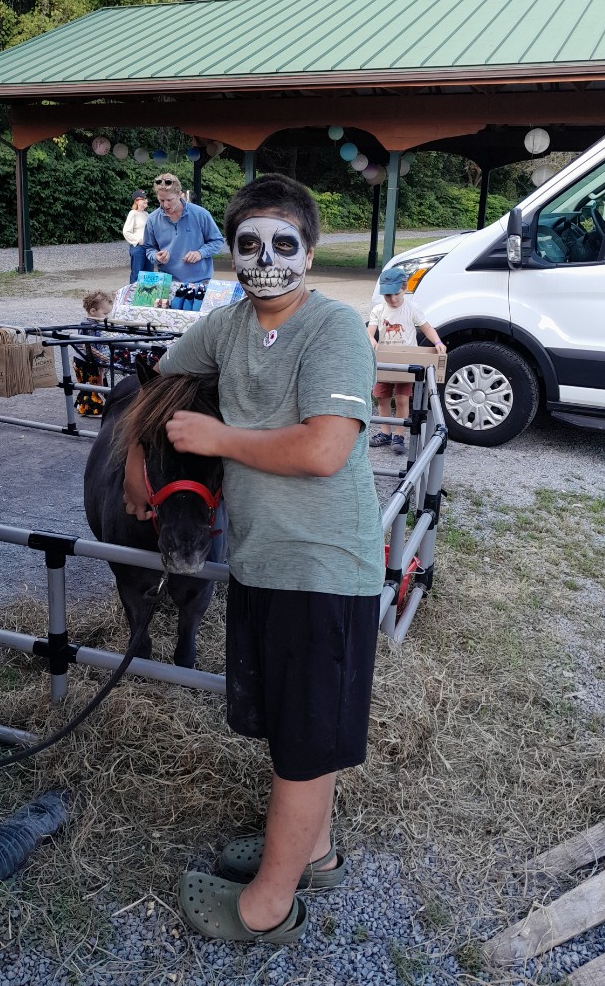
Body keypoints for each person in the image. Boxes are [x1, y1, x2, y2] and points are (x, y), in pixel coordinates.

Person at [122, 174, 384, 944]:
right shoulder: (227, 324)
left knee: (303, 741)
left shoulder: (333, 329)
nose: (266, 258)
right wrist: (140, 464)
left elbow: (325, 449)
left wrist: (219, 441)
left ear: (309, 250)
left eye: (284, 243)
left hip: (322, 565)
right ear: (227, 250)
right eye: (249, 244)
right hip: (262, 559)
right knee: (296, 725)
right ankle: (317, 852)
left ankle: (267, 906)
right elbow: (159, 385)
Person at [367, 265, 446, 454]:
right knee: (382, 398)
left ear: (405, 289)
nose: (392, 299)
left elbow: (426, 328)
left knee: (402, 400)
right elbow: (370, 330)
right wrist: (371, 338)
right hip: (385, 361)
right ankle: (385, 431)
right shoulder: (379, 310)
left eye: (396, 294)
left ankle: (399, 434)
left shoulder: (412, 309)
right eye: (387, 295)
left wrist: (437, 341)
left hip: (405, 363)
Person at [142, 173, 223, 285]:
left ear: (180, 195)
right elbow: (149, 248)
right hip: (167, 283)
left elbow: (217, 241)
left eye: (170, 200)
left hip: (200, 281)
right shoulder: (152, 219)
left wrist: (200, 253)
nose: (165, 205)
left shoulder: (201, 214)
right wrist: (156, 257)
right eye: (161, 200)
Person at [73, 290, 113, 416]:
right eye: (105, 313)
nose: (107, 317)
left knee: (96, 383)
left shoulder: (95, 323)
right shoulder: (87, 325)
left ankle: (88, 403)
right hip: (85, 361)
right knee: (91, 385)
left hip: (91, 360)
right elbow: (87, 346)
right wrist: (102, 356)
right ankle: (90, 409)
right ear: (93, 311)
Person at [122, 190, 149, 283]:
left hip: (148, 247)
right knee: (137, 274)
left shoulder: (146, 214)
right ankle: (132, 295)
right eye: (143, 199)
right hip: (138, 248)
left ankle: (147, 296)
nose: (146, 200)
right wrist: (138, 240)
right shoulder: (133, 213)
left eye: (146, 198)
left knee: (148, 275)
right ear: (137, 201)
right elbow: (126, 231)